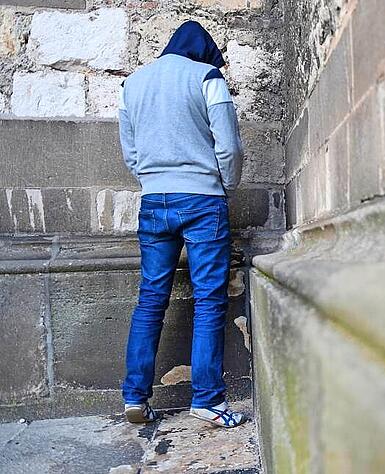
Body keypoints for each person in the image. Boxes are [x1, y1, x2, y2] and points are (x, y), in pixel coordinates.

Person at [118, 20, 246, 428]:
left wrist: (155, 180)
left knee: (150, 299)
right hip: (203, 199)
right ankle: (207, 401)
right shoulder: (207, 77)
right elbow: (228, 146)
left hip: (154, 200)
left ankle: (134, 397)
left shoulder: (133, 84)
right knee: (209, 299)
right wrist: (222, 184)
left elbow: (130, 152)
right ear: (202, 50)